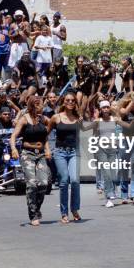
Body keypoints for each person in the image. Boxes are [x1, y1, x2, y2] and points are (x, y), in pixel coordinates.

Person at [10, 96, 51, 226]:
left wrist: (48, 149)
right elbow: (13, 136)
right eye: (39, 105)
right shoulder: (24, 119)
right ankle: (33, 214)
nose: (42, 107)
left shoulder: (43, 119)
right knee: (32, 184)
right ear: (33, 105)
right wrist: (14, 149)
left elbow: (45, 137)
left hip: (41, 155)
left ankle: (37, 208)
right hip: (27, 154)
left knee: (44, 183)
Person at [49, 92, 82, 223]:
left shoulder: (77, 118)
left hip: (74, 151)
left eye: (73, 101)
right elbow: (46, 133)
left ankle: (74, 208)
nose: (70, 102)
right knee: (64, 180)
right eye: (67, 100)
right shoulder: (56, 117)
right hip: (60, 152)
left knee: (74, 180)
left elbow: (84, 131)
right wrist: (46, 148)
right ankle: (64, 212)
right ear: (64, 102)